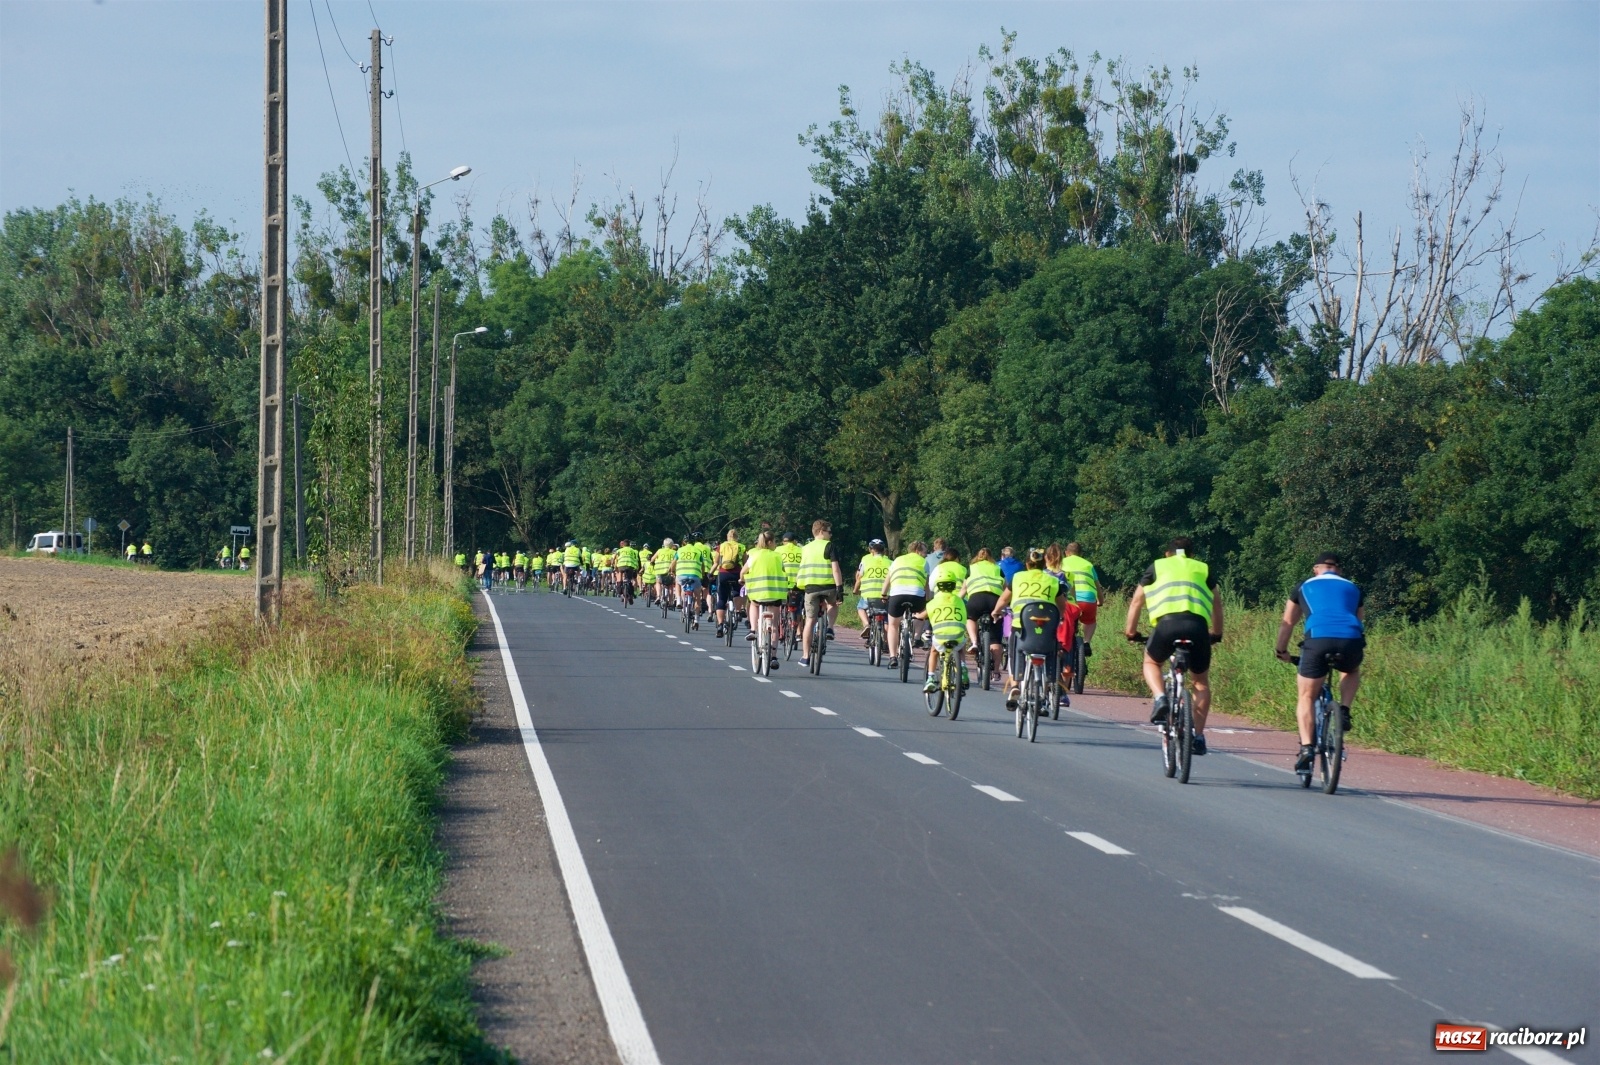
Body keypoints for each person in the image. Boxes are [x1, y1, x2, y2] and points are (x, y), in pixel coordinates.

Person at [1124, 537, 1223, 756]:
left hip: (1166, 626)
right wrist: (1216, 633)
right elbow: (1217, 603)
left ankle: (1160, 698)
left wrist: (1131, 632)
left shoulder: (1157, 566)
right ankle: (1197, 736)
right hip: (1198, 628)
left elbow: (1137, 601)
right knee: (1200, 683)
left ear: (1167, 553)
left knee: (1151, 661)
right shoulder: (1203, 568)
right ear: (1191, 555)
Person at [1276, 552, 1365, 773]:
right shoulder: (1354, 588)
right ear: (1339, 570)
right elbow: (1359, 621)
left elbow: (1288, 622)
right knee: (1351, 670)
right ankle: (1344, 709)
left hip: (1318, 639)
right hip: (1350, 640)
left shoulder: (1303, 586)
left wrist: (1281, 650)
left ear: (1316, 569)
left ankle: (1307, 748)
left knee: (1306, 695)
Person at [990, 548, 1068, 708]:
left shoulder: (1018, 578)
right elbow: (1062, 605)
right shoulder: (1053, 581)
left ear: (1027, 564)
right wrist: (1060, 618)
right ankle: (1048, 688)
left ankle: (1015, 686)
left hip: (1021, 628)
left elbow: (1004, 599)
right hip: (1046, 629)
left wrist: (996, 612)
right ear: (1043, 563)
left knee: (1013, 654)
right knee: (1050, 653)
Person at [797, 519, 844, 667]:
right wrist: (840, 588)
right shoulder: (829, 546)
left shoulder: (805, 548)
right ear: (821, 531)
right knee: (833, 604)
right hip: (828, 585)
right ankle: (830, 627)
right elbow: (835, 569)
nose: (831, 534)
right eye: (829, 531)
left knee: (810, 621)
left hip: (810, 588)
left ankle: (805, 656)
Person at [741, 531, 788, 670]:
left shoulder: (754, 555)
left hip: (758, 594)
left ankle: (753, 630)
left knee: (754, 605)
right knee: (774, 626)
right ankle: (773, 656)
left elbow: (743, 572)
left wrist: (742, 579)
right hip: (775, 594)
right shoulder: (778, 556)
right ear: (770, 542)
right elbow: (783, 571)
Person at [881, 541, 929, 670]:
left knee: (892, 625)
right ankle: (916, 637)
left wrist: (884, 594)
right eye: (925, 552)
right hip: (916, 594)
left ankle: (892, 657)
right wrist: (928, 601)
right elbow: (926, 585)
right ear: (918, 550)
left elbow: (888, 579)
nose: (925, 555)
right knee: (921, 614)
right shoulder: (924, 562)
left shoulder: (897, 560)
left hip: (897, 594)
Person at [963, 547, 1006, 681]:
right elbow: (1005, 589)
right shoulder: (997, 568)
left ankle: (975, 642)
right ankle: (997, 671)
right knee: (996, 638)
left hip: (976, 599)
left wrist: (955, 601)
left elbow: (964, 589)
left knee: (970, 618)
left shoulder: (972, 568)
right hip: (994, 600)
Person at [923, 578, 970, 694]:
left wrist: (917, 615)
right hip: (958, 637)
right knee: (960, 647)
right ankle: (963, 666)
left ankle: (930, 678)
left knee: (934, 651)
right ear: (954, 587)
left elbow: (923, 615)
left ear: (938, 587)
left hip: (940, 638)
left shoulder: (933, 602)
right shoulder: (960, 601)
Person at [1061, 542, 1103, 650]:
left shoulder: (1061, 563)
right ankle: (1086, 642)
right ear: (1080, 554)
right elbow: (1097, 586)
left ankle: (1063, 643)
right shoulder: (1088, 564)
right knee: (1090, 621)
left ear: (1066, 553)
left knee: (1063, 620)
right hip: (1087, 599)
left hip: (1069, 599)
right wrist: (1100, 600)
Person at [852, 539, 891, 639]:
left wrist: (855, 590)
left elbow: (859, 578)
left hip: (868, 595)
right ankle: (886, 641)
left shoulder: (866, 561)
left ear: (870, 549)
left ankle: (866, 624)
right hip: (886, 595)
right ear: (884, 550)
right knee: (886, 618)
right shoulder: (891, 562)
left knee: (860, 607)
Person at [714, 529, 746, 637]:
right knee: (738, 592)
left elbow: (716, 562)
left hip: (723, 574)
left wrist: (710, 573)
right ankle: (737, 612)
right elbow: (746, 563)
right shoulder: (742, 546)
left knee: (722, 599)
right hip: (737, 574)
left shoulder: (721, 546)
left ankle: (720, 625)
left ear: (727, 537)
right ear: (737, 537)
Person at [674, 536, 705, 628]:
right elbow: (702, 565)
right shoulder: (698, 551)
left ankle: (679, 601)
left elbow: (673, 563)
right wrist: (702, 575)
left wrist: (671, 571)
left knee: (678, 582)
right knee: (697, 597)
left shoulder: (680, 550)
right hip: (695, 575)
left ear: (684, 542)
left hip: (681, 575)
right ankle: (696, 619)